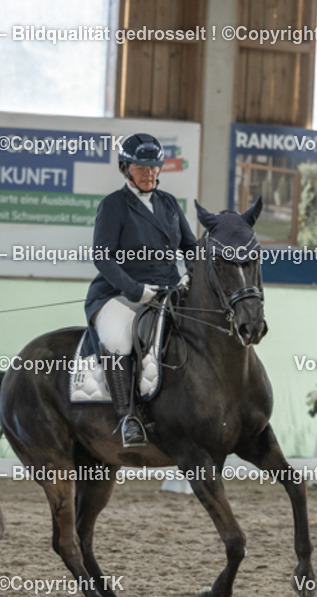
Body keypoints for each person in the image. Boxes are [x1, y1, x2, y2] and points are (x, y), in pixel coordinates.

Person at [84, 133, 198, 447]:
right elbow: (102, 257)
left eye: (154, 167)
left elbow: (190, 246)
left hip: (168, 290)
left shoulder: (169, 203)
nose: (149, 173)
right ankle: (128, 417)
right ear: (125, 168)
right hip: (120, 293)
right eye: (141, 167)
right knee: (119, 339)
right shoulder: (114, 205)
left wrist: (193, 275)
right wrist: (136, 291)